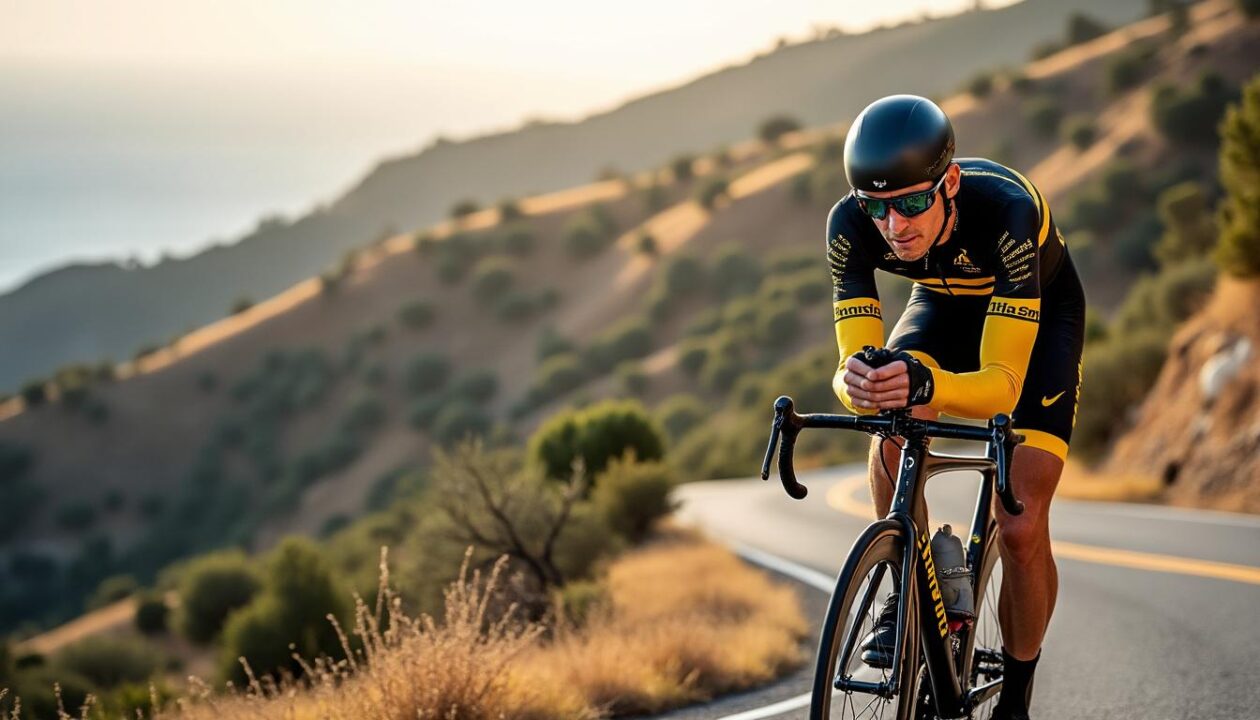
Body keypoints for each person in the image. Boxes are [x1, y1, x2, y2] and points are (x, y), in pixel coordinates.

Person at [826, 94, 1086, 720]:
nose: (895, 225)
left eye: (913, 201)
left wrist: (924, 382)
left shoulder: (1008, 212)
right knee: (888, 427)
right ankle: (905, 593)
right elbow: (853, 366)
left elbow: (999, 385)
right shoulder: (849, 225)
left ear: (949, 182)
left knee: (1019, 522)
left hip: (1036, 319)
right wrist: (860, 382)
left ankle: (1016, 699)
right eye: (877, 208)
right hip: (940, 303)